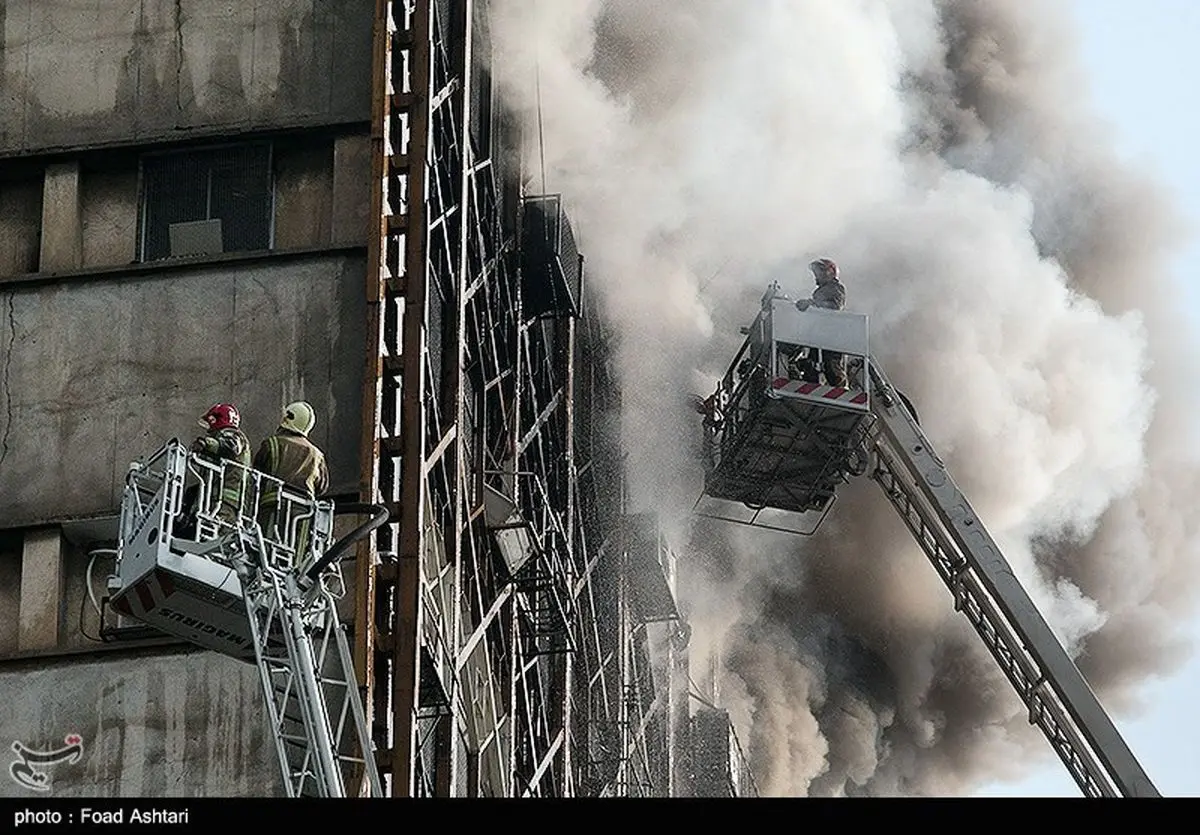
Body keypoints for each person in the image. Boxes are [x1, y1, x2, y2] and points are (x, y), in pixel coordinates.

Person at [253, 401, 330, 551]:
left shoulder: (272, 443)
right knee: (295, 554)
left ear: (287, 418)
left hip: (273, 507)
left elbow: (257, 475)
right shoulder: (317, 455)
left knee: (265, 552)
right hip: (303, 512)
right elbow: (322, 487)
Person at [179, 403, 252, 536]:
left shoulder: (233, 435)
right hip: (217, 500)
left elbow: (231, 447)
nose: (209, 429)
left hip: (225, 503)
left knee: (220, 537)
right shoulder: (222, 437)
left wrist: (205, 444)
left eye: (211, 421)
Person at [794, 257, 849, 388]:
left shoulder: (836, 288)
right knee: (811, 366)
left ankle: (841, 389)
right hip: (819, 337)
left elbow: (835, 306)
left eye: (819, 271)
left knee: (832, 368)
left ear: (830, 272)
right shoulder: (821, 291)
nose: (816, 275)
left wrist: (812, 303)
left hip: (833, 338)